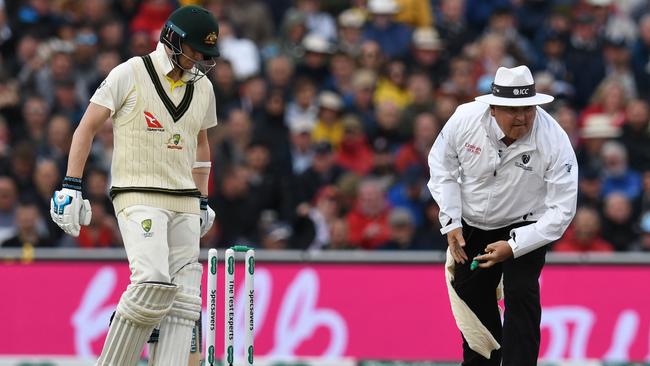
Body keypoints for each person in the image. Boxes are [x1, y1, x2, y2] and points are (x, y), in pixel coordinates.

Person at [49, 5, 219, 365]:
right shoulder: (130, 72)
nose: (201, 62)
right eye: (195, 52)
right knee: (152, 283)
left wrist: (202, 199)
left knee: (185, 303)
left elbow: (201, 146)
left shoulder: (202, 87)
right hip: (138, 193)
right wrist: (71, 185)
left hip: (185, 200)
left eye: (207, 56)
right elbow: (86, 127)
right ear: (173, 40)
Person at [428, 65, 578, 365]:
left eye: (528, 108)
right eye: (512, 109)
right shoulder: (464, 119)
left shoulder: (553, 138)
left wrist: (515, 245)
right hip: (471, 224)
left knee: (521, 292)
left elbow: (562, 209)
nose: (522, 117)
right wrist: (451, 221)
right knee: (472, 299)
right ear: (493, 108)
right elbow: (441, 165)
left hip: (525, 224)